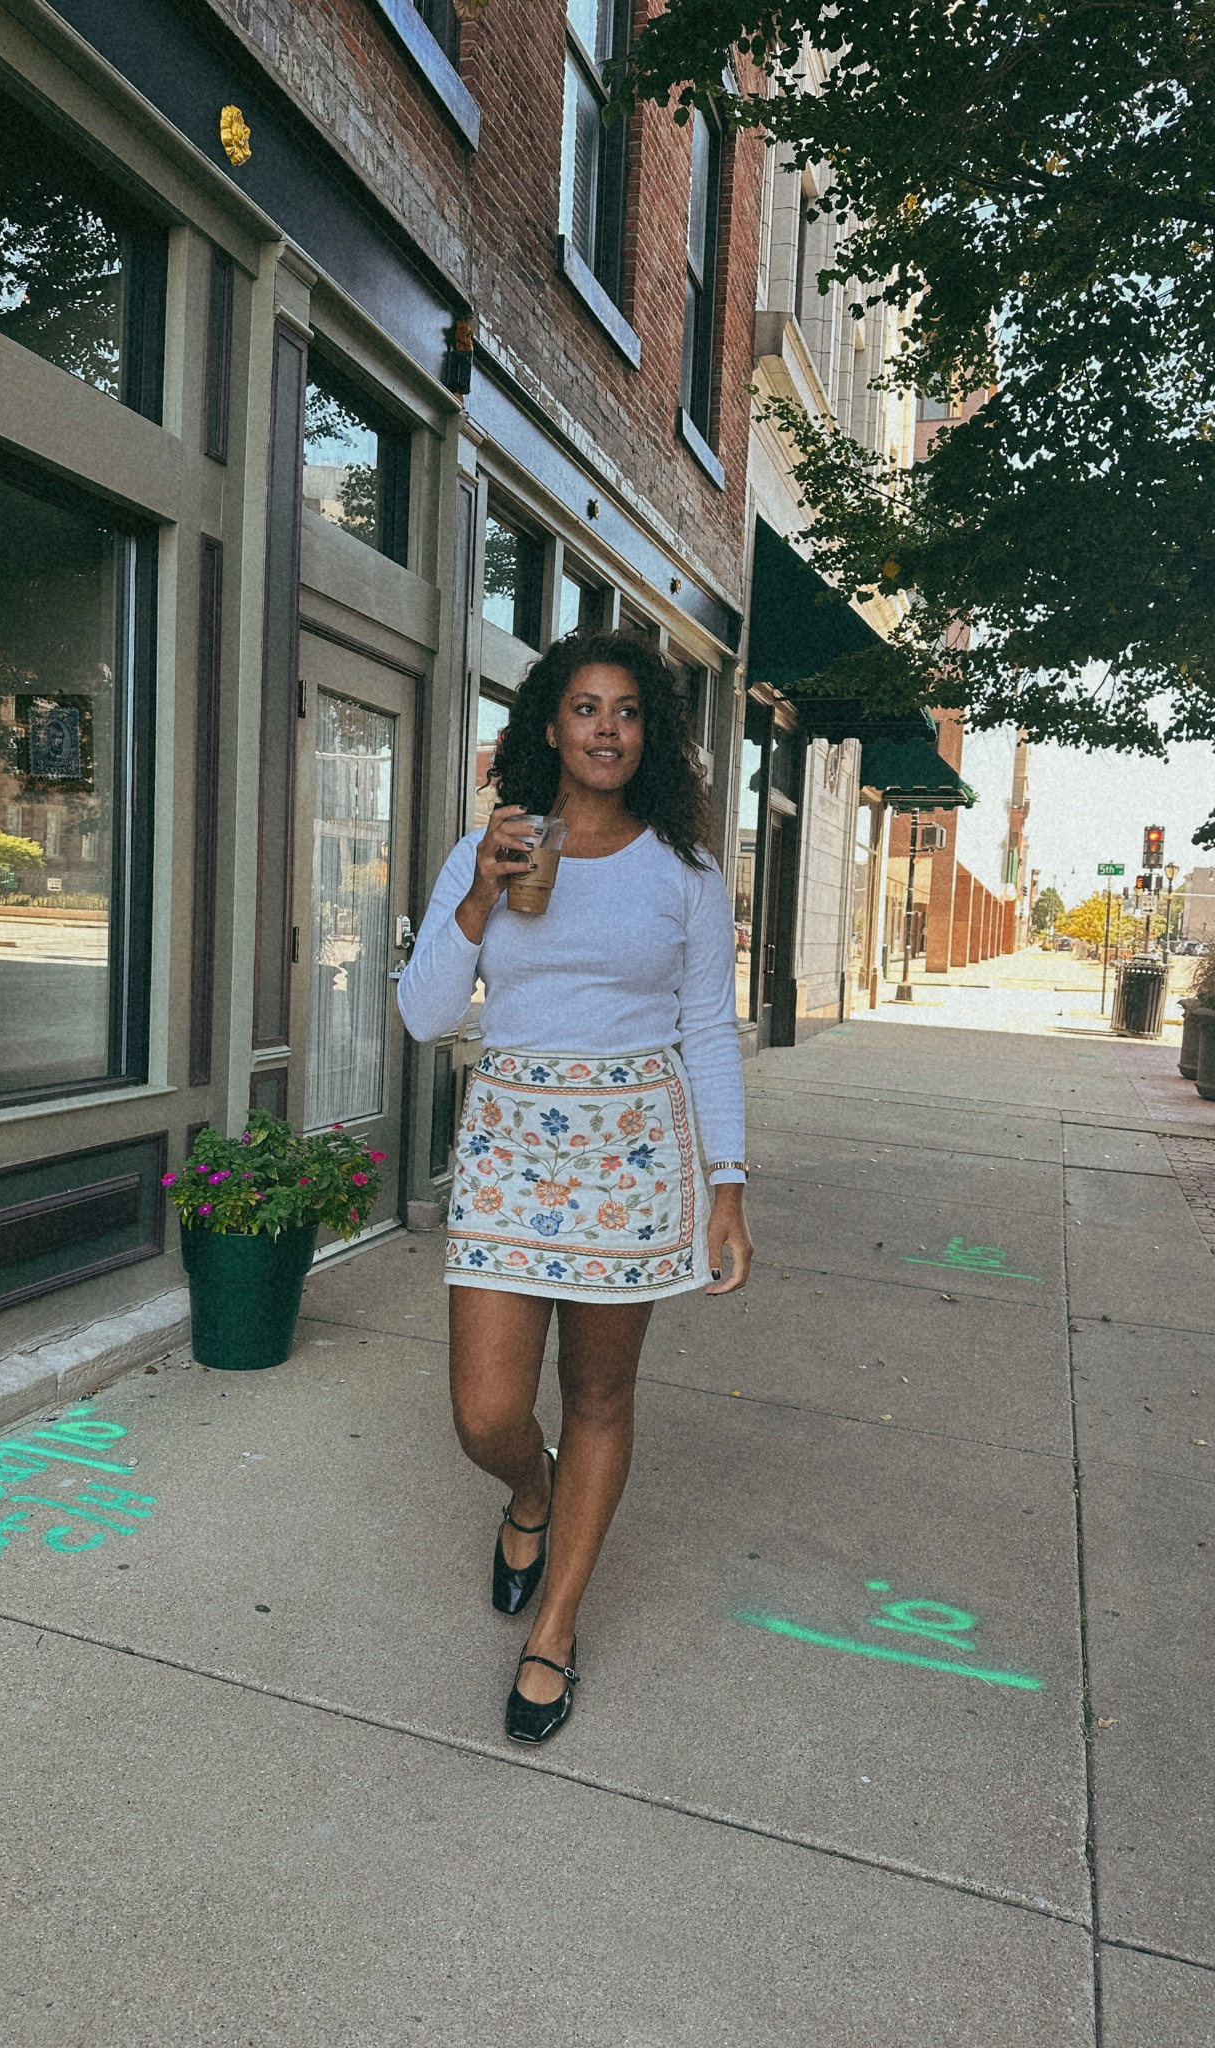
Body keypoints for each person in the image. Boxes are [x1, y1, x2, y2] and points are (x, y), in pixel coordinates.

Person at [397, 631, 753, 1744]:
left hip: (634, 1151)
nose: (607, 726)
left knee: (600, 1395)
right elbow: (421, 1015)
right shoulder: (489, 847)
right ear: (549, 724)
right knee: (487, 1410)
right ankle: (530, 1492)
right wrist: (476, 903)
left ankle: (555, 1624)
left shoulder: (687, 872)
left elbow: (708, 1028)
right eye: (587, 707)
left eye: (629, 710)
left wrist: (726, 1182)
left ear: (650, 734)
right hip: (511, 1139)